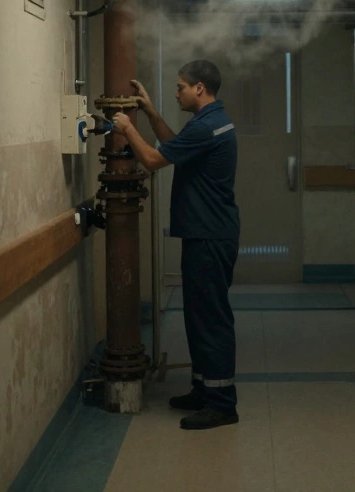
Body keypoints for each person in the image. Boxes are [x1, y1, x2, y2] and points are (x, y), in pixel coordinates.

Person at [111, 60, 240, 431]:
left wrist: (125, 127)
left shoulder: (208, 126)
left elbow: (152, 159)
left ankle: (221, 404)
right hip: (206, 233)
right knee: (199, 318)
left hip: (209, 236)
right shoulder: (208, 122)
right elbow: (173, 146)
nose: (176, 92)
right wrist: (151, 114)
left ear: (200, 88)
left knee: (211, 320)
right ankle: (204, 390)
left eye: (181, 87)